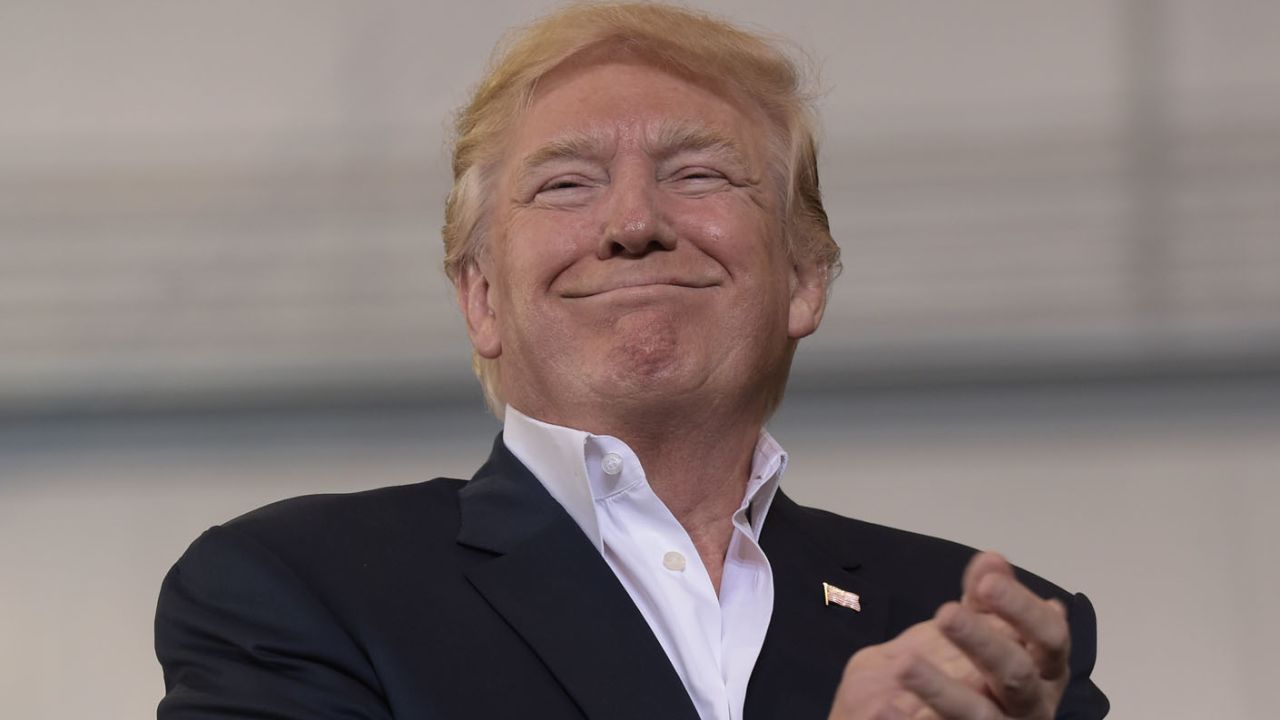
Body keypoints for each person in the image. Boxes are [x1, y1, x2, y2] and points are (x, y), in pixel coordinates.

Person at [155, 4, 1108, 719]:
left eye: (698, 174)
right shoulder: (298, 590)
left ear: (805, 281)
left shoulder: (981, 636)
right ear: (481, 296)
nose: (634, 225)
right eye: (566, 183)